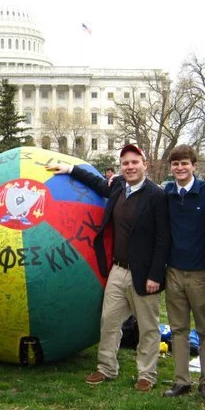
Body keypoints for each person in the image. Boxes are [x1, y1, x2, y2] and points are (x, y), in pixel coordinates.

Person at [47, 144, 169, 391]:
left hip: (145, 273)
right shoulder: (117, 187)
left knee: (147, 327)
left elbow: (163, 239)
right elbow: (96, 183)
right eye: (125, 163)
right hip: (118, 269)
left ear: (145, 164)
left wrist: (156, 275)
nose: (130, 167)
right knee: (109, 322)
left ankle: (146, 374)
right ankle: (106, 368)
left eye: (135, 162)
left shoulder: (157, 196)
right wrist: (70, 168)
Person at [162, 145, 205, 399]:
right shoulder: (168, 193)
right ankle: (182, 381)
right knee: (178, 329)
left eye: (184, 163)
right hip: (174, 272)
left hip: (201, 274)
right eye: (175, 164)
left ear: (194, 165)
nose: (180, 168)